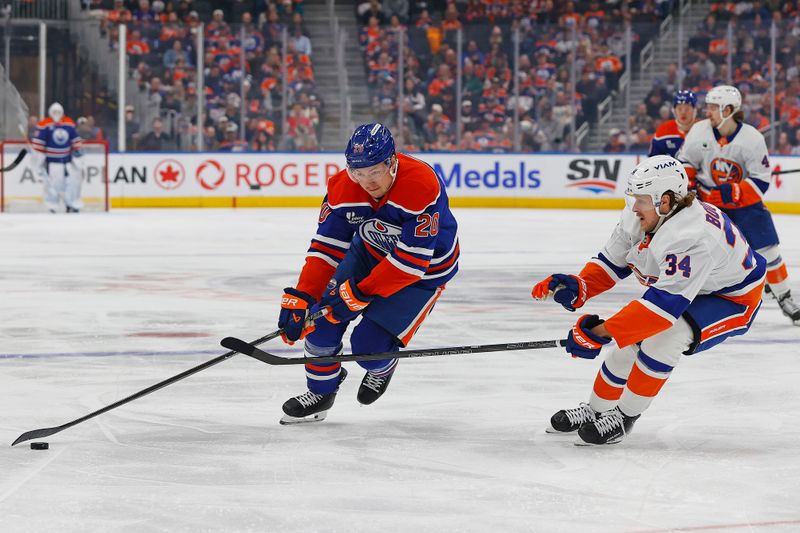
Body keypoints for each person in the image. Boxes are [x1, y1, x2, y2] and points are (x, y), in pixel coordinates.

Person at [532, 155, 766, 445]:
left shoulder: (692, 237)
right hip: (692, 287)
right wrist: (579, 286)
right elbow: (612, 262)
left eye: (641, 199)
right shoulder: (646, 213)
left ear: (665, 201)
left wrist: (599, 333)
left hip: (732, 297)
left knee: (664, 338)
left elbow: (662, 310)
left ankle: (623, 417)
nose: (634, 206)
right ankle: (595, 411)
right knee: (626, 349)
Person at [276, 123, 460, 424]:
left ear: (392, 162)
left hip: (424, 272)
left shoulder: (421, 183)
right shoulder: (342, 186)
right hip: (369, 253)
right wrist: (302, 296)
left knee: (368, 347)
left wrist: (358, 295)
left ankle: (381, 367)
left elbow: (411, 262)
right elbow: (326, 248)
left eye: (374, 171)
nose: (366, 181)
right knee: (320, 322)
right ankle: (322, 392)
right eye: (358, 172)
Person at [677, 85, 800, 324]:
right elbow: (685, 162)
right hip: (708, 206)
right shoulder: (699, 131)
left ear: (729, 110)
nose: (708, 111)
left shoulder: (752, 139)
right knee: (701, 252)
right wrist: (690, 184)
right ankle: (693, 298)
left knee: (768, 251)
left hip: (744, 205)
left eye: (713, 107)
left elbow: (760, 182)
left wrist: (730, 193)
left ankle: (784, 297)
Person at [31, 102, 85, 213]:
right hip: (51, 161)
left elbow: (75, 140)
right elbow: (39, 144)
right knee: (52, 184)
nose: (56, 114)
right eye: (54, 112)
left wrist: (77, 155)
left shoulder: (69, 123)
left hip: (67, 160)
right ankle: (52, 205)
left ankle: (72, 203)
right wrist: (39, 159)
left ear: (62, 112)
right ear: (50, 112)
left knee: (72, 182)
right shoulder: (44, 124)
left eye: (58, 112)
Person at [649, 90, 698, 158]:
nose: (683, 112)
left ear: (694, 110)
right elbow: (653, 160)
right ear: (674, 111)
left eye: (687, 109)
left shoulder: (704, 129)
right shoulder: (663, 130)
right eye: (679, 109)